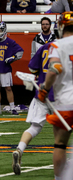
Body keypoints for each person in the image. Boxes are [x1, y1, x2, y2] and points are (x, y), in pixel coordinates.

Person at [37, 11, 73, 180]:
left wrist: (44, 89)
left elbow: (55, 68)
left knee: (60, 144)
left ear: (61, 26)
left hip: (65, 102)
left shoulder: (57, 45)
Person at [12, 41, 55, 175]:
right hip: (61, 95)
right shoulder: (67, 46)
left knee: (35, 127)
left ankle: (19, 149)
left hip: (42, 92)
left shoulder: (45, 47)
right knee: (64, 130)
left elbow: (32, 68)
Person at [0, 22, 24, 115]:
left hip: (5, 69)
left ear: (5, 30)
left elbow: (20, 52)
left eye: (1, 29)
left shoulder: (10, 42)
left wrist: (13, 58)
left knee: (8, 88)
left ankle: (12, 108)